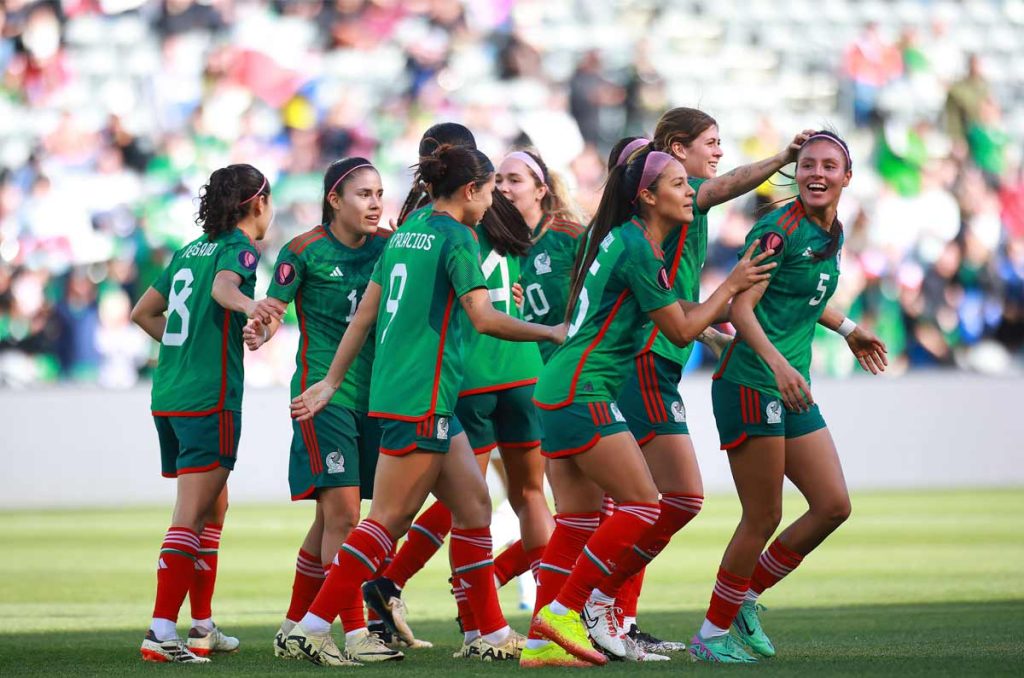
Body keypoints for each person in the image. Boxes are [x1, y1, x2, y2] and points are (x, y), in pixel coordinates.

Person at [285, 144, 565, 666]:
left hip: (411, 392)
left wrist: (332, 380)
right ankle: (311, 626)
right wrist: (551, 330)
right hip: (423, 394)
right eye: (488, 189)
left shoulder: (407, 231)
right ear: (468, 190)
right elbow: (482, 317)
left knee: (475, 505)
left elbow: (366, 311)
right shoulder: (457, 237)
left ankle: (488, 630)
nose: (493, 200)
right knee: (387, 519)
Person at [521, 146, 776, 667]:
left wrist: (717, 319)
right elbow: (680, 330)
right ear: (648, 196)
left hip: (559, 386)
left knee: (577, 520)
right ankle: (570, 610)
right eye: (680, 184)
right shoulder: (638, 246)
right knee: (643, 504)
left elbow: (673, 312)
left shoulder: (625, 240)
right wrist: (731, 284)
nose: (690, 192)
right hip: (583, 389)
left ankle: (541, 642)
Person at [585, 113, 818, 657]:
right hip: (643, 359)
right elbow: (726, 185)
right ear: (673, 152)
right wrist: (783, 159)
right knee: (668, 499)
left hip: (659, 358)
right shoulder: (674, 203)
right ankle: (589, 605)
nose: (717, 153)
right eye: (710, 144)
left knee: (645, 503)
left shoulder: (671, 216)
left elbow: (672, 296)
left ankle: (607, 613)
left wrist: (710, 333)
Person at [688, 131, 888, 663]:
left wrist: (848, 329)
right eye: (807, 164)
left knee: (832, 505)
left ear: (848, 178)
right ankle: (710, 635)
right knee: (762, 515)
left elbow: (804, 293)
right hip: (752, 381)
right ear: (795, 172)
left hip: (786, 382)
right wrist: (778, 366)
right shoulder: (779, 228)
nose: (816, 173)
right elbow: (739, 307)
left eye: (829, 166)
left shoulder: (832, 229)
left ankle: (747, 597)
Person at [237, 158, 399, 659]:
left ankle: (293, 625)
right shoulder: (303, 251)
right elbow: (273, 313)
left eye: (379, 194)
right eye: (363, 195)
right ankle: (355, 635)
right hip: (321, 397)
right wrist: (258, 331)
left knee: (333, 521)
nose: (375, 204)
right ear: (335, 200)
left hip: (379, 395)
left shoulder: (391, 246)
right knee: (346, 515)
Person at [130, 164, 281, 663]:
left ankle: (201, 627)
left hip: (170, 393)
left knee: (213, 507)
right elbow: (223, 290)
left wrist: (188, 347)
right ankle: (159, 632)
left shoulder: (187, 251)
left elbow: (142, 313)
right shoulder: (239, 248)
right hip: (207, 399)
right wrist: (252, 306)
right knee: (191, 514)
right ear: (258, 203)